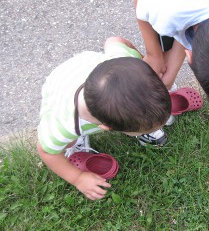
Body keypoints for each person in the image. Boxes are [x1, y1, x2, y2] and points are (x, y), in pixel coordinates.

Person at [36, 37, 171, 200]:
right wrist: (77, 178)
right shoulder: (65, 124)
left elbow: (115, 40)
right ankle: (76, 144)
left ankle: (139, 124)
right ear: (107, 127)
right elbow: (46, 151)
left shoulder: (125, 63)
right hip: (59, 85)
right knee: (66, 142)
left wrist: (144, 75)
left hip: (92, 69)